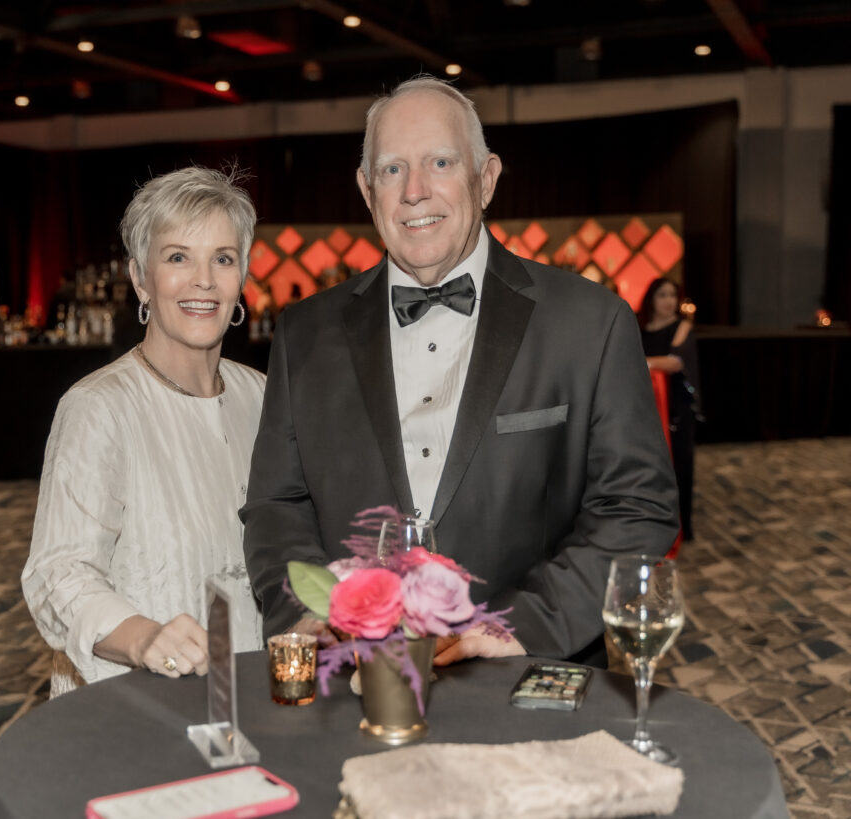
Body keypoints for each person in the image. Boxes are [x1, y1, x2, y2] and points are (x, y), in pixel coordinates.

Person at [240, 76, 679, 668]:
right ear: (367, 192)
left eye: (440, 162)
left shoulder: (590, 324)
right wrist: (313, 615)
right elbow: (277, 505)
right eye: (392, 170)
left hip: (530, 674)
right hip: (351, 680)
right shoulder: (304, 334)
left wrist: (523, 629)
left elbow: (636, 509)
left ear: (487, 178)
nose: (415, 192)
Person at [23, 167, 266, 696]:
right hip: (137, 700)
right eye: (177, 257)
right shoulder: (99, 408)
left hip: (251, 690)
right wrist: (145, 639)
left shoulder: (266, 397)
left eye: (222, 259)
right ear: (140, 278)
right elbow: (59, 575)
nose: (203, 280)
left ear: (241, 275)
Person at [638, 277, 701, 541]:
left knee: (680, 465)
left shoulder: (682, 327)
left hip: (675, 407)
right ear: (651, 299)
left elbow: (674, 362)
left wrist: (642, 362)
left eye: (673, 295)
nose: (669, 301)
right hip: (644, 408)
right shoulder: (638, 327)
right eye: (662, 295)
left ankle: (681, 526)